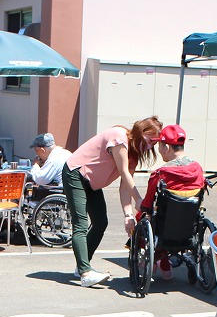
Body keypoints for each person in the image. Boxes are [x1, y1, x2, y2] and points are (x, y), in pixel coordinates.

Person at [63, 116, 161, 287]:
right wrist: (139, 198)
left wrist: (128, 215)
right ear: (141, 131)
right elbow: (124, 172)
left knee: (101, 222)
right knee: (80, 224)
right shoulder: (119, 137)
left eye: (154, 144)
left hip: (92, 182)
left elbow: (124, 187)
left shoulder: (133, 155)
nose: (150, 145)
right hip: (75, 173)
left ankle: (82, 265)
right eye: (149, 140)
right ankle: (85, 273)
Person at [139, 124, 208, 280]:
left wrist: (142, 208)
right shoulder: (198, 170)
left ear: (166, 148)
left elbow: (147, 204)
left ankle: (159, 257)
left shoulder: (161, 174)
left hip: (163, 228)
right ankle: (164, 260)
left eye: (160, 145)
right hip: (188, 226)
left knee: (141, 217)